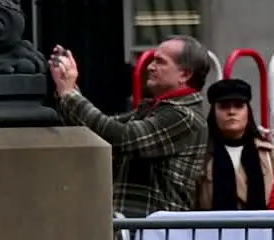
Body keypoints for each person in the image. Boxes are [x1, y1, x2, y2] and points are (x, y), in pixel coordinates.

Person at [50, 37, 209, 217]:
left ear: (185, 75)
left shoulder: (185, 116)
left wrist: (70, 94)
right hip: (135, 229)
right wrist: (67, 85)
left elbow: (122, 137)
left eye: (160, 62)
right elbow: (98, 130)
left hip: (153, 234)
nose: (150, 67)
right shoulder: (154, 108)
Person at [195, 79, 274, 211]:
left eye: (238, 106)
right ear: (214, 112)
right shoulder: (200, 154)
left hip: (261, 228)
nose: (231, 112)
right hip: (212, 229)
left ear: (248, 111)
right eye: (224, 106)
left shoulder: (270, 154)